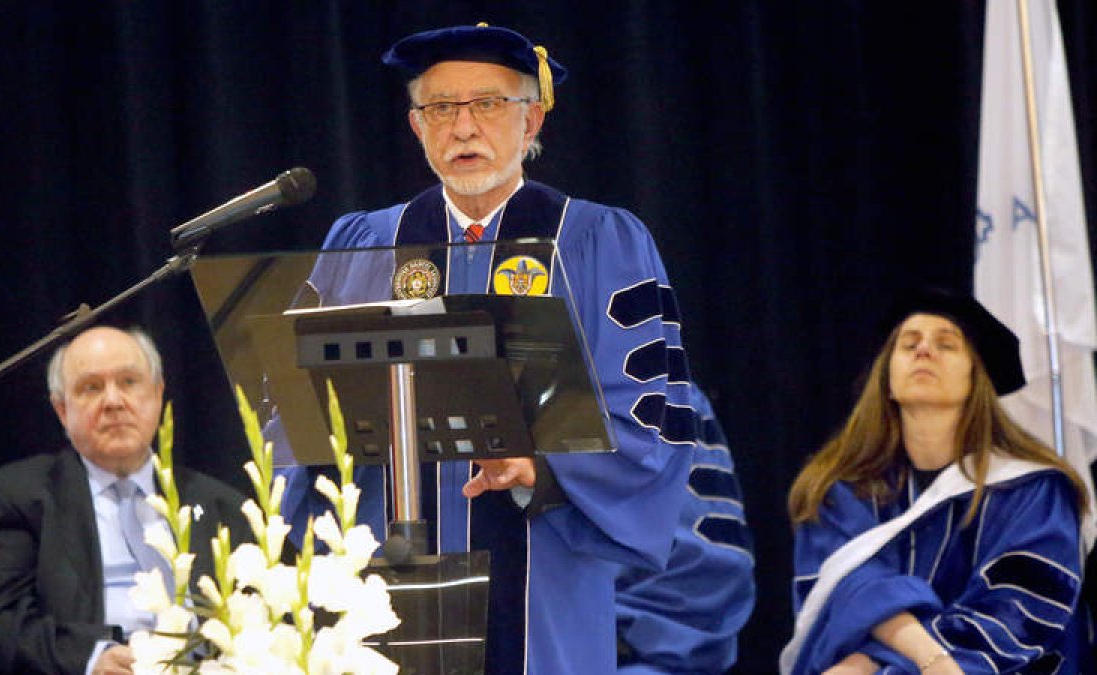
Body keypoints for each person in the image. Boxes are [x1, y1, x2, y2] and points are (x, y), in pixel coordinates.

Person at [270, 23, 755, 675]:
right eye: (441, 107)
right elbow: (297, 413)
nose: (463, 127)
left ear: (531, 121)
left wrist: (541, 467)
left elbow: (648, 412)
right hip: (383, 576)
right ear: (417, 126)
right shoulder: (364, 242)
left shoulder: (596, 241)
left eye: (488, 104)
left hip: (546, 577)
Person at [781, 288, 1092, 674]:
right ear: (888, 380)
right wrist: (922, 657)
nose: (923, 351)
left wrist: (876, 661)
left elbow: (1016, 615)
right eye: (909, 343)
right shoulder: (838, 490)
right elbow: (849, 593)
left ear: (977, 379)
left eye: (946, 344)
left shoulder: (1032, 492)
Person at [0, 326, 250, 675]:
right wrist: (91, 657)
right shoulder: (16, 499)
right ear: (61, 410)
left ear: (158, 394)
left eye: (129, 382)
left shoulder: (221, 504)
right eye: (91, 388)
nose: (113, 401)